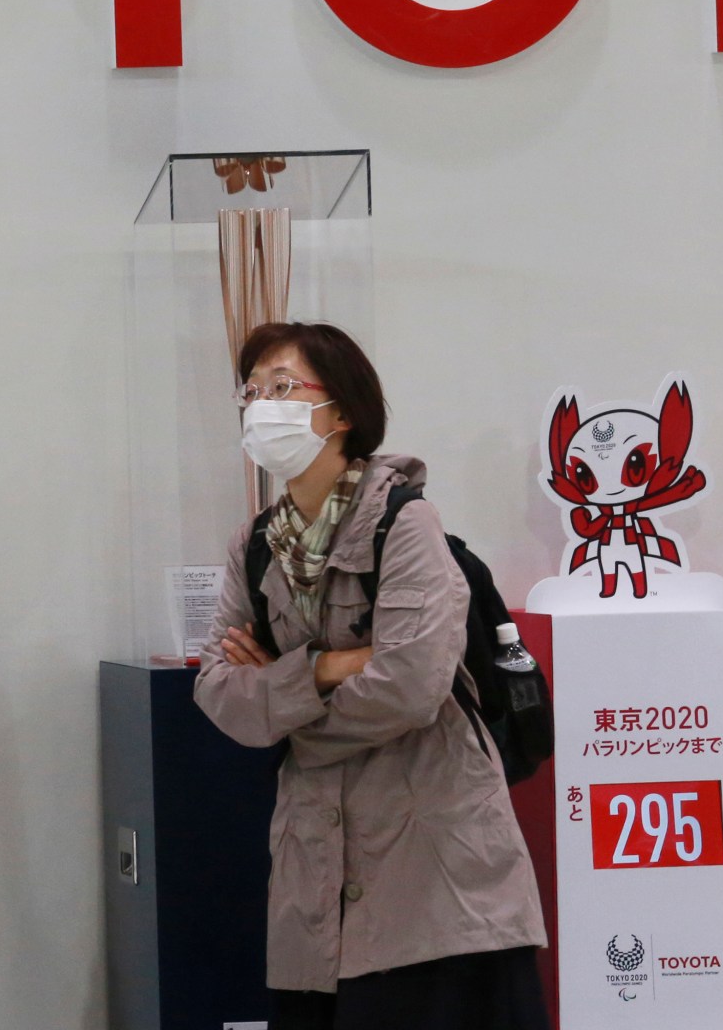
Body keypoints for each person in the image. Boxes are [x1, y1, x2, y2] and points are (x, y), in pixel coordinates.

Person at [193, 322, 549, 1030]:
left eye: (285, 387)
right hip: (312, 884)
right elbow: (219, 694)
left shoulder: (403, 522)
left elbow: (411, 688)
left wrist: (290, 707)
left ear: (344, 412)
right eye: (254, 391)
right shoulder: (254, 546)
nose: (264, 405)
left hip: (435, 887)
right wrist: (330, 665)